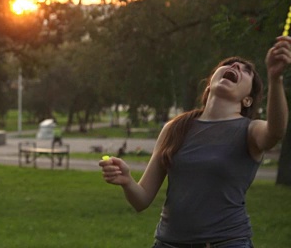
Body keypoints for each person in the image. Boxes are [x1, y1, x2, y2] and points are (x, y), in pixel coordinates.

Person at [99, 36, 291, 248]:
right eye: (229, 64)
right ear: (210, 83)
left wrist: (275, 78)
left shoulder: (250, 129)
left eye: (246, 71)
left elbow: (276, 131)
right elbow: (142, 200)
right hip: (168, 243)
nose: (236, 65)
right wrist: (127, 180)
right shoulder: (175, 127)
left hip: (226, 243)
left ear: (248, 99)